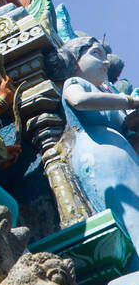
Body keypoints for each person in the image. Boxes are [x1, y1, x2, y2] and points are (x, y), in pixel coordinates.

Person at [48, 36, 139, 268]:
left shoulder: (110, 100)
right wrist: (130, 101)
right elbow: (79, 101)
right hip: (98, 155)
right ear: (74, 60)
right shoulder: (75, 83)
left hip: (125, 157)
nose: (106, 63)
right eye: (96, 54)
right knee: (126, 214)